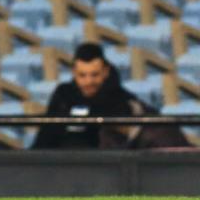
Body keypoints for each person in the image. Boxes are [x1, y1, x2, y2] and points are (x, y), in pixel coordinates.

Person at [32, 42, 189, 149]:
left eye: (94, 75)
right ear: (74, 72)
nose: (88, 81)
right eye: (82, 75)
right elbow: (45, 136)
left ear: (105, 71)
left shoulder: (121, 100)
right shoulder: (63, 95)